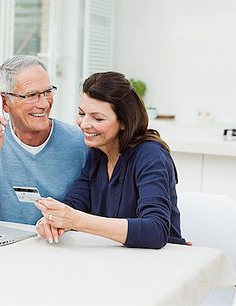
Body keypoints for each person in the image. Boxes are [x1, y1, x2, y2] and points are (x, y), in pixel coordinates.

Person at [34, 71, 187, 249]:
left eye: (98, 118)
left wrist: (75, 220)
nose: (84, 125)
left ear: (124, 122)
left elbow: (155, 231)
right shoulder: (98, 153)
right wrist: (53, 220)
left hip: (163, 263)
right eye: (82, 114)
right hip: (115, 260)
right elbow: (75, 203)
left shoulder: (150, 155)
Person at [0, 55, 88, 225]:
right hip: (2, 249)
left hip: (59, 247)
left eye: (47, 92)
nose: (44, 104)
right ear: (4, 103)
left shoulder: (79, 144)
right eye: (31, 95)